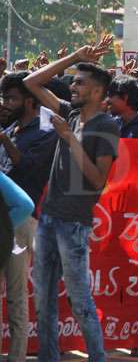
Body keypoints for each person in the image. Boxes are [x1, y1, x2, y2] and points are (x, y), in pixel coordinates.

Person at [23, 36, 120, 362]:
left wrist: (70, 139)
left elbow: (97, 180)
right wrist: (76, 55)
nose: (72, 86)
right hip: (48, 220)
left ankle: (98, 357)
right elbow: (30, 82)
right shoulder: (69, 112)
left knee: (80, 302)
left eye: (79, 83)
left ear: (96, 92)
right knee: (44, 301)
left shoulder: (106, 126)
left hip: (73, 225)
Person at [0, 71, 58, 361]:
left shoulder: (46, 134)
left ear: (30, 101)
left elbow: (27, 168)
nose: (6, 103)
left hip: (22, 222)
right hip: (2, 218)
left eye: (12, 98)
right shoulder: (11, 131)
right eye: (4, 98)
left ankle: (17, 356)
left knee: (16, 295)